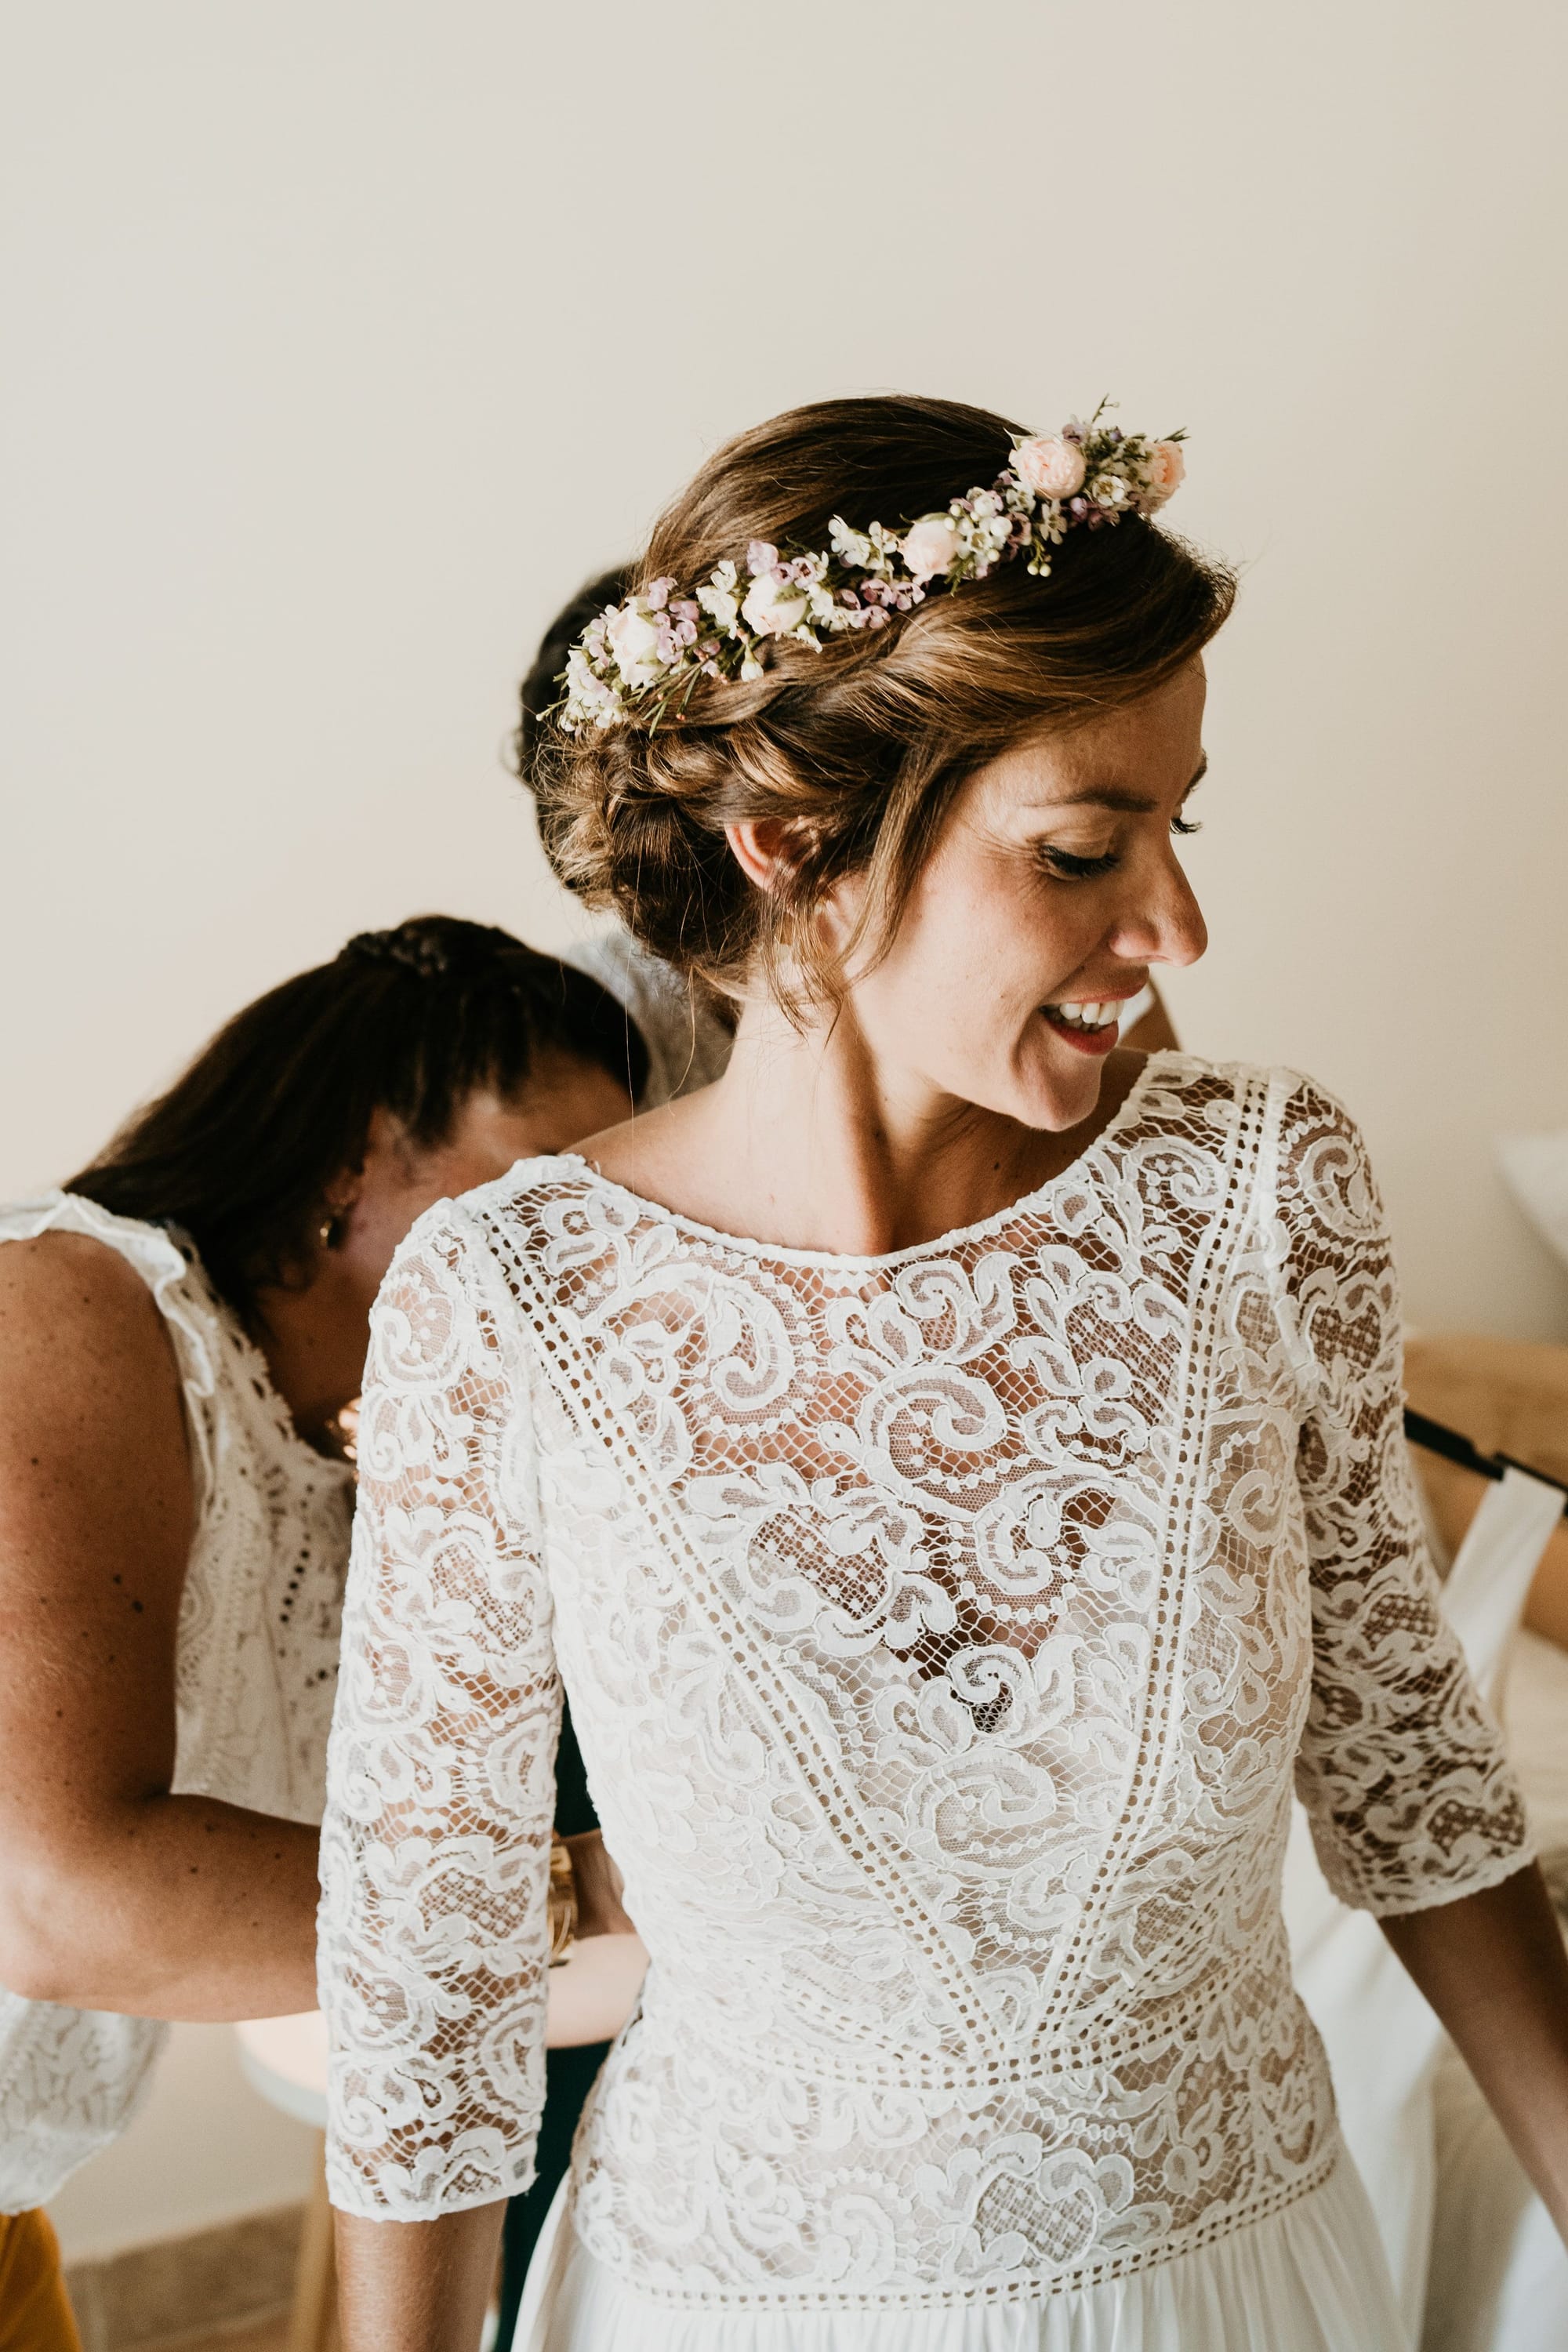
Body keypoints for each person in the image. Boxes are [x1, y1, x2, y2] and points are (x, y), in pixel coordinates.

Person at [318, 396, 1568, 2352]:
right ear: (797, 841)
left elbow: (1408, 1771)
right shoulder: (513, 1304)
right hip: (728, 2304)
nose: (1176, 926)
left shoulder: (1258, 1194)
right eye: (1085, 848)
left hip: (1240, 2285)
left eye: (1181, 821)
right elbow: (429, 1968)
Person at [0, 918, 662, 2346]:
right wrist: (590, 1893)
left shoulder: (354, 1481)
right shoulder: (66, 1303)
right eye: (547, 1192)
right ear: (354, 1158)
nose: (586, 1262)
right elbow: (50, 1899)